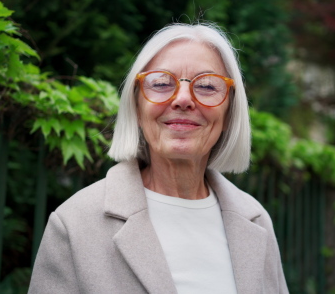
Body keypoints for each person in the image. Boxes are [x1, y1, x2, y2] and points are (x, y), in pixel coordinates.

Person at [28, 23, 288, 293]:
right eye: (162, 83)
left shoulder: (257, 222)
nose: (183, 99)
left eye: (208, 86)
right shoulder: (76, 223)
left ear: (229, 114)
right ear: (137, 108)